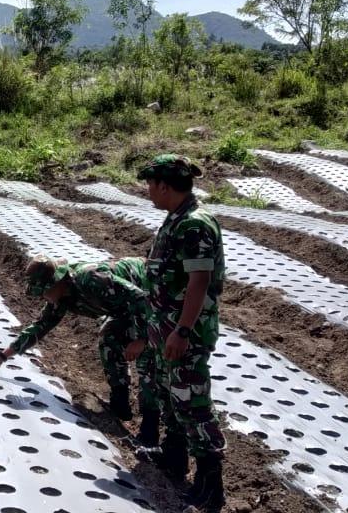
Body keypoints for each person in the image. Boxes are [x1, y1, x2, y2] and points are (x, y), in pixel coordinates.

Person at [136, 154, 226, 510]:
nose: (147, 191)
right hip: (166, 328)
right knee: (171, 396)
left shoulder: (194, 224)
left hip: (185, 332)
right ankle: (174, 456)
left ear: (164, 185)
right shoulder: (175, 219)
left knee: (192, 402)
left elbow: (199, 281)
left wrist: (183, 331)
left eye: (150, 184)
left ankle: (210, 483)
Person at [0, 255, 159, 424]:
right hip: (124, 307)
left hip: (153, 292)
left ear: (56, 283)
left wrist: (141, 339)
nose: (43, 297)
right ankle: (120, 404)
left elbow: (140, 298)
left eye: (44, 291)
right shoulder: (61, 297)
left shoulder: (91, 279)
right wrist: (1, 358)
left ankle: (150, 425)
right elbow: (40, 327)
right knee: (108, 339)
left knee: (147, 357)